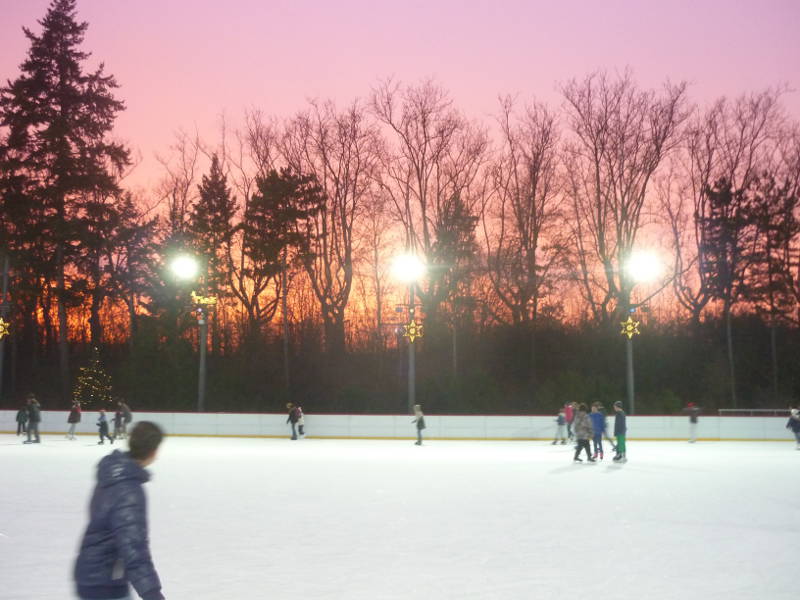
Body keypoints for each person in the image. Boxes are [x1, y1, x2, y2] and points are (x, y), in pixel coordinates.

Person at [74, 421, 166, 600]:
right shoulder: (129, 490)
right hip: (103, 583)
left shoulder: (112, 474)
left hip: (94, 574)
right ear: (154, 451)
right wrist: (152, 593)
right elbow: (133, 545)